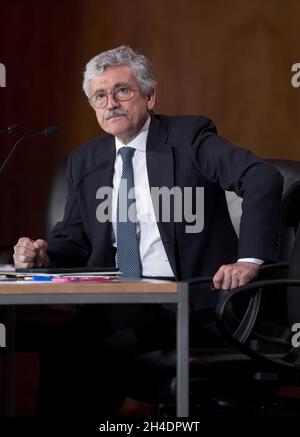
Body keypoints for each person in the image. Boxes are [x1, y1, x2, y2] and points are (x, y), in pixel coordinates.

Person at [13, 45, 283, 417]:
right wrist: (43, 255)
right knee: (62, 347)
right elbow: (73, 239)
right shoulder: (87, 159)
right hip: (115, 303)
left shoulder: (189, 138)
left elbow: (261, 177)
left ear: (149, 96)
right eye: (100, 96)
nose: (111, 103)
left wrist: (248, 260)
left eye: (122, 90)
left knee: (107, 350)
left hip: (189, 303)